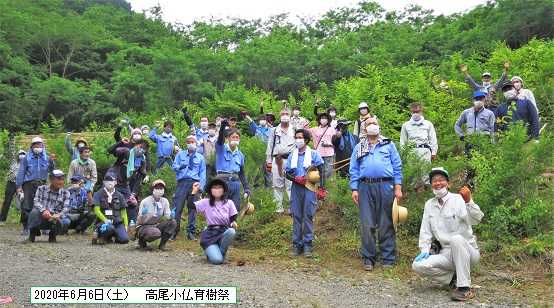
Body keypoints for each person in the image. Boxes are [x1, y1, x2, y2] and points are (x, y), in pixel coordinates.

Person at [412, 167, 484, 302]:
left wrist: (469, 201)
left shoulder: (459, 199)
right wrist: (425, 249)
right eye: (434, 181)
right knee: (417, 264)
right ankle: (452, 279)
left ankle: (464, 288)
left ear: (448, 183)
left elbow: (476, 219)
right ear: (431, 185)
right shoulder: (429, 204)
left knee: (456, 239)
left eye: (441, 180)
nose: (438, 183)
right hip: (446, 254)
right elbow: (425, 231)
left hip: (468, 251)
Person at [349, 117, 403, 271]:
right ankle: (368, 258)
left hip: (386, 186)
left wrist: (398, 187)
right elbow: (353, 169)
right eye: (369, 124)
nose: (372, 126)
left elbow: (397, 166)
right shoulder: (359, 147)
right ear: (364, 129)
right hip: (365, 187)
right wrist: (354, 188)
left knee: (387, 222)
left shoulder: (389, 144)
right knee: (367, 223)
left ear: (379, 126)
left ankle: (388, 258)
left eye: (374, 123)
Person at [285, 129, 326, 257]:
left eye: (300, 137)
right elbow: (287, 173)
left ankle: (308, 244)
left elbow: (322, 170)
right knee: (297, 216)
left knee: (308, 215)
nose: (298, 140)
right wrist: (295, 178)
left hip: (310, 188)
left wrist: (322, 188)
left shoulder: (314, 154)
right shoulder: (292, 155)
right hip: (296, 187)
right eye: (296, 137)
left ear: (306, 140)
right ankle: (297, 244)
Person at [191, 179, 238, 265]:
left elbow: (233, 217)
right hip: (210, 234)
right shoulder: (206, 202)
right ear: (210, 190)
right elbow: (191, 206)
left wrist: (233, 222)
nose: (217, 190)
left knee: (231, 231)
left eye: (219, 187)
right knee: (217, 261)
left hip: (223, 232)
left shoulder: (229, 203)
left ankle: (221, 253)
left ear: (223, 189)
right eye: (214, 188)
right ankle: (211, 252)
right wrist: (194, 192)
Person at [16, 137, 55, 236]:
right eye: (35, 145)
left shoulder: (47, 158)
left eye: (40, 145)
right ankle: (26, 227)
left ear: (43, 146)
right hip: (28, 184)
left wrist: (51, 162)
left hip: (42, 184)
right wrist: (19, 186)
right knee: (26, 206)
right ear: (32, 146)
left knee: (44, 205)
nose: (38, 147)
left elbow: (51, 171)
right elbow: (21, 172)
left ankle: (44, 227)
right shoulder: (26, 159)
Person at [171, 135, 207, 241]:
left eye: (192, 142)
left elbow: (203, 173)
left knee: (193, 209)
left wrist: (201, 188)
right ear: (186, 143)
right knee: (178, 208)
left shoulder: (200, 157)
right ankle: (174, 231)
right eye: (188, 141)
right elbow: (174, 167)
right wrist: (179, 166)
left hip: (194, 184)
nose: (190, 143)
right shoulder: (180, 154)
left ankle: (190, 232)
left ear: (195, 143)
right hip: (182, 183)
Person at [215, 120, 251, 212]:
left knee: (234, 209)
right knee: (221, 208)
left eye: (237, 137)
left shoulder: (240, 155)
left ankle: (231, 226)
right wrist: (223, 127)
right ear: (228, 138)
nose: (235, 139)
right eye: (233, 137)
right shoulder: (221, 149)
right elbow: (220, 140)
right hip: (222, 182)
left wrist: (246, 188)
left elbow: (242, 173)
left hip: (235, 183)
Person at [26, 170, 70, 243]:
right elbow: (36, 201)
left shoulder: (66, 193)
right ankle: (32, 235)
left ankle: (52, 235)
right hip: (41, 216)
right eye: (58, 179)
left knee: (66, 221)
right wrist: (44, 210)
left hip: (55, 218)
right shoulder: (41, 189)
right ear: (51, 179)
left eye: (62, 179)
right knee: (34, 212)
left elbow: (66, 207)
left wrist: (59, 215)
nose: (61, 181)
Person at [266, 109, 295, 213]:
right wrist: (268, 161)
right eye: (283, 114)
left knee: (291, 184)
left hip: (291, 160)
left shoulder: (295, 129)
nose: (285, 115)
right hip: (277, 159)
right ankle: (279, 208)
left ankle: (292, 208)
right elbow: (270, 146)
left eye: (287, 114)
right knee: (277, 184)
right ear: (279, 115)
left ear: (290, 116)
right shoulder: (274, 130)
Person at [136, 179, 176, 250]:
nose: (159, 190)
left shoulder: (165, 201)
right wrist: (143, 215)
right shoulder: (145, 201)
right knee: (155, 233)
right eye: (157, 188)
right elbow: (139, 221)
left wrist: (171, 215)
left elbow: (167, 215)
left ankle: (162, 245)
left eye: (161, 188)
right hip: (144, 226)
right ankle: (141, 240)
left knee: (173, 222)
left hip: (156, 225)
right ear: (152, 189)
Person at [91, 174, 129, 245]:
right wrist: (105, 220)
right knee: (109, 228)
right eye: (107, 181)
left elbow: (123, 212)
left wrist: (126, 225)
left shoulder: (120, 195)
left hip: (117, 223)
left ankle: (114, 236)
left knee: (125, 240)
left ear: (115, 182)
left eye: (112, 180)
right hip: (103, 223)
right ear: (103, 182)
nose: (109, 182)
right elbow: (96, 210)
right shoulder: (98, 194)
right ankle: (101, 236)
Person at [0, 136, 25, 224]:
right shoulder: (13, 161)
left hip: (21, 184)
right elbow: (12, 151)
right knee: (7, 201)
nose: (21, 155)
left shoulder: (26, 164)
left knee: (23, 202)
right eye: (20, 154)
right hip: (11, 183)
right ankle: (2, 220)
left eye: (23, 154)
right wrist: (12, 140)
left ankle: (23, 221)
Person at [245, 112, 272, 188]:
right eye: (261, 119)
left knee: (268, 172)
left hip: (268, 154)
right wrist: (248, 117)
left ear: (266, 121)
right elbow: (251, 122)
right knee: (257, 172)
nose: (262, 121)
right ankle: (256, 188)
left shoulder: (271, 130)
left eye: (264, 119)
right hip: (257, 154)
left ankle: (268, 189)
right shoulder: (256, 128)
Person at [310, 112, 335, 180]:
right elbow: (305, 132)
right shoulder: (314, 129)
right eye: (322, 118)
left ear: (328, 120)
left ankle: (326, 185)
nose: (324, 120)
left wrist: (329, 144)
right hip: (318, 153)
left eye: (325, 118)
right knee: (318, 171)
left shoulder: (332, 129)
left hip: (329, 153)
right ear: (319, 120)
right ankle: (319, 186)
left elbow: (335, 142)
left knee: (328, 171)